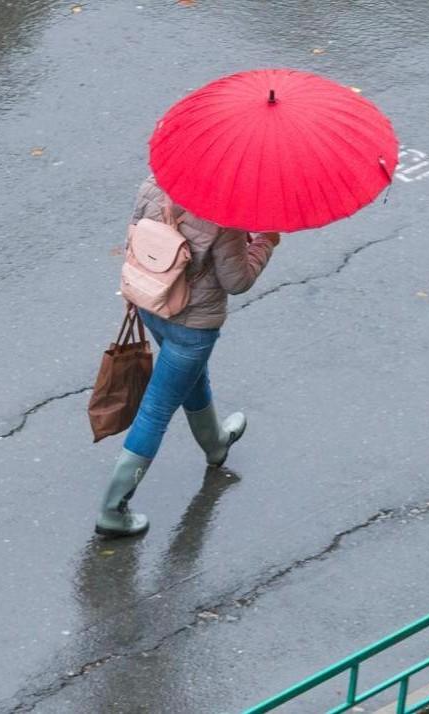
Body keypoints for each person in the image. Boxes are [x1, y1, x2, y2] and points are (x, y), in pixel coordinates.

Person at [95, 176, 278, 537]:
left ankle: (216, 444)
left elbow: (135, 237)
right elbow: (237, 282)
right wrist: (264, 244)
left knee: (192, 380)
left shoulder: (152, 184)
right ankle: (112, 510)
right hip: (192, 327)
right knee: (156, 410)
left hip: (152, 303)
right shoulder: (225, 218)